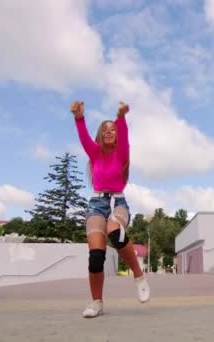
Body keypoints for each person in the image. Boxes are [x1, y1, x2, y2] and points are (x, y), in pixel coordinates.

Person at [70, 100, 150, 318]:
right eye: (104, 130)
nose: (109, 132)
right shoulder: (95, 153)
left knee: (115, 231)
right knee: (96, 256)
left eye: (112, 129)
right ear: (100, 135)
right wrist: (79, 118)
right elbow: (84, 138)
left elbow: (124, 140)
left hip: (118, 203)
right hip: (96, 204)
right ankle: (97, 302)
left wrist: (121, 118)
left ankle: (138, 275)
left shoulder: (122, 155)